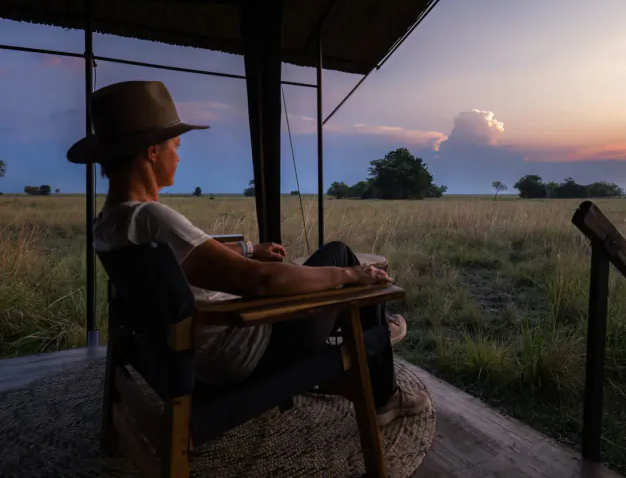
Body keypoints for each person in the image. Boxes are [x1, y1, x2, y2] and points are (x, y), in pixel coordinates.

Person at [66, 80, 429, 426]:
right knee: (339, 255)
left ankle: (372, 329)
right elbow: (260, 280)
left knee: (337, 273)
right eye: (176, 145)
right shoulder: (151, 217)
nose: (178, 156)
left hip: (194, 352)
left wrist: (248, 248)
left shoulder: (109, 224)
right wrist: (353, 276)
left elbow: (189, 257)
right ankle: (380, 375)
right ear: (152, 151)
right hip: (249, 347)